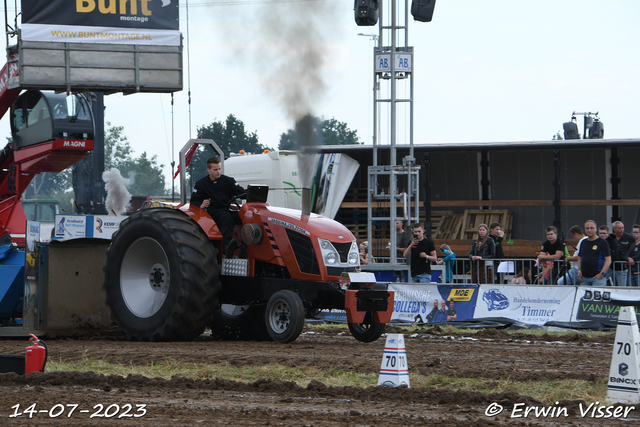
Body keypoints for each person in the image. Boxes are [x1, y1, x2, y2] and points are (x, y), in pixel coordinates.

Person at [190, 156, 246, 257]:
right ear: (209, 169)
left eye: (219, 169)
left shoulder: (228, 181)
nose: (218, 172)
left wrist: (250, 193)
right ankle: (226, 247)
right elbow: (193, 201)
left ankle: (245, 246)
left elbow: (241, 192)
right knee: (225, 217)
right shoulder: (201, 184)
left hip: (226, 209)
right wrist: (201, 205)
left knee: (244, 216)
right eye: (215, 170)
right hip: (212, 212)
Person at [577, 220, 611, 286]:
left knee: (597, 296)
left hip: (597, 278)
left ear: (596, 229)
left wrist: (602, 273)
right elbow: (580, 258)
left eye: (591, 228)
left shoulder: (603, 242)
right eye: (587, 228)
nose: (589, 230)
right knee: (584, 296)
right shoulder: (583, 242)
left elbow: (608, 259)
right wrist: (579, 271)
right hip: (584, 278)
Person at [613, 221, 634, 286]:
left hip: (623, 267)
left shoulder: (629, 238)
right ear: (614, 229)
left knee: (622, 286)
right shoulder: (611, 238)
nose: (621, 230)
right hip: (611, 266)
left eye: (622, 228)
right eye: (619, 228)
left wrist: (628, 259)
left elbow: (632, 250)